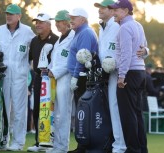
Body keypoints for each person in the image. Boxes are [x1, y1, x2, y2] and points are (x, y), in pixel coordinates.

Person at [0, 3, 35, 151]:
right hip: (2, 76)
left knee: (20, 110)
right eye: (7, 13)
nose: (8, 16)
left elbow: (36, 50)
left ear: (19, 16)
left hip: (20, 77)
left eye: (11, 13)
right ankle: (3, 140)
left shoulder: (27, 32)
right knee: (2, 109)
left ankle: (18, 142)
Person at [108, 0, 149, 153]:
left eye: (116, 10)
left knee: (127, 115)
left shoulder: (124, 28)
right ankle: (141, 149)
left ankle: (132, 149)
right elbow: (144, 47)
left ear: (125, 11)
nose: (113, 13)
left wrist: (121, 76)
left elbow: (126, 53)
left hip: (129, 73)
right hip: (140, 73)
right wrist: (146, 52)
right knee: (137, 114)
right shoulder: (138, 25)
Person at [94, 1, 126, 153]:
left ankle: (121, 145)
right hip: (105, 74)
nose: (99, 10)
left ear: (112, 10)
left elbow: (126, 47)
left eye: (102, 8)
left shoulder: (118, 25)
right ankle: (115, 143)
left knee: (117, 109)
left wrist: (145, 50)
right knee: (111, 110)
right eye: (99, 8)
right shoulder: (102, 26)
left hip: (119, 73)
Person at [67, 8, 98, 153]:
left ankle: (84, 147)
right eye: (70, 17)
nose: (71, 20)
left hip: (82, 77)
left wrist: (75, 76)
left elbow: (82, 57)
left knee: (83, 113)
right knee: (81, 112)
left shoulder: (85, 33)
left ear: (83, 19)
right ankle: (82, 146)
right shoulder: (79, 32)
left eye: (74, 17)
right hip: (80, 76)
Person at [27, 12, 58, 152]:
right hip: (39, 78)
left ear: (48, 25)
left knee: (53, 110)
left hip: (53, 80)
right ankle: (40, 142)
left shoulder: (56, 40)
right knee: (39, 110)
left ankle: (53, 142)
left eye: (41, 22)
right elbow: (31, 61)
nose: (37, 25)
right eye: (36, 22)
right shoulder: (34, 41)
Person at [46, 10, 75, 153]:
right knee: (56, 113)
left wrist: (55, 72)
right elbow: (54, 60)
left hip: (66, 78)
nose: (56, 24)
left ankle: (63, 147)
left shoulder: (73, 37)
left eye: (59, 21)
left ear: (67, 22)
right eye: (55, 21)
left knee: (63, 113)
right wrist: (49, 69)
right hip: (54, 79)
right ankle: (56, 145)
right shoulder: (59, 39)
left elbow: (70, 61)